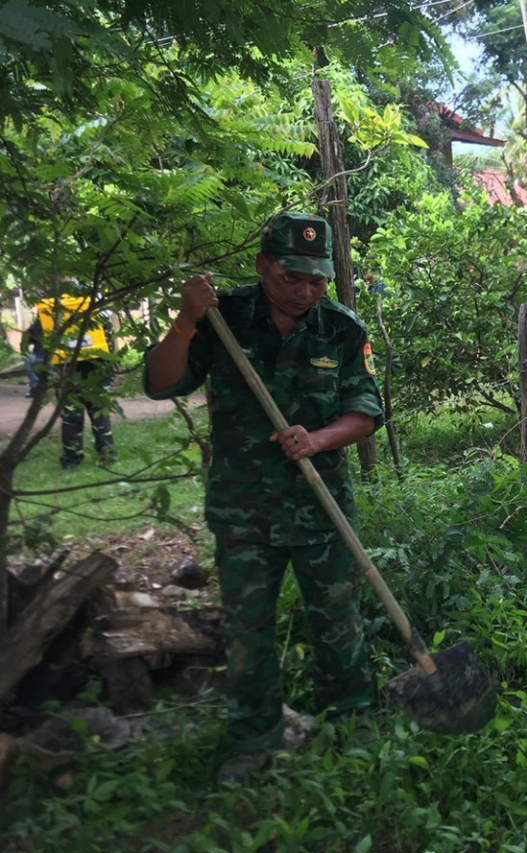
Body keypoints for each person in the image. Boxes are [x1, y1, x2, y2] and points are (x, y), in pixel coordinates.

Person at [144, 212, 384, 781]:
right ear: (262, 266)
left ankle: (351, 725)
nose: (305, 291)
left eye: (317, 280)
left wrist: (318, 439)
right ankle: (255, 738)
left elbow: (366, 411)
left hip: (320, 507)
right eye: (290, 277)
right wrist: (186, 319)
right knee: (247, 630)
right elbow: (160, 383)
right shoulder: (222, 318)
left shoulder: (341, 328)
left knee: (338, 623)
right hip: (244, 510)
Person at [33, 279, 117, 468]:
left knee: (71, 416)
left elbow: (39, 336)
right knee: (99, 413)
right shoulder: (94, 301)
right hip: (97, 367)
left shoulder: (51, 306)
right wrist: (110, 364)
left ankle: (72, 459)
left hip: (67, 369)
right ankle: (107, 456)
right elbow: (108, 333)